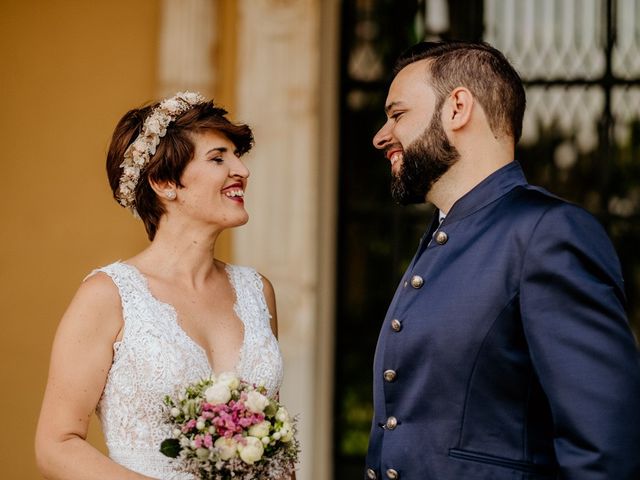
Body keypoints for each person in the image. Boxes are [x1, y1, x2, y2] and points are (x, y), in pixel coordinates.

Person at [365, 41, 640, 480]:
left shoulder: (548, 233)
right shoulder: (441, 240)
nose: (381, 135)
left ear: (457, 107)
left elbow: (604, 451)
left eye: (397, 114)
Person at [35, 92, 285, 479]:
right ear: (164, 181)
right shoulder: (108, 296)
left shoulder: (257, 292)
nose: (241, 170)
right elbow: (56, 445)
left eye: (237, 155)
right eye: (218, 158)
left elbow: (272, 448)